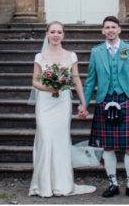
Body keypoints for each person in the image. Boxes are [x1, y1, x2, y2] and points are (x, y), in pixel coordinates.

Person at [28, 21, 97, 198]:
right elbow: (34, 81)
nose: (56, 35)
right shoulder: (39, 56)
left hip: (63, 102)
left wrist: (83, 103)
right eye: (53, 32)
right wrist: (49, 88)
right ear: (47, 34)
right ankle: (43, 185)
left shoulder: (71, 56)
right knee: (45, 138)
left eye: (59, 32)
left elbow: (76, 80)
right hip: (45, 103)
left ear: (63, 35)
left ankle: (61, 184)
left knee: (60, 140)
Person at [83, 15, 129, 199]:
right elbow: (90, 80)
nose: (110, 30)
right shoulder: (96, 52)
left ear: (119, 29)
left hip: (124, 100)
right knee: (107, 146)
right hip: (104, 100)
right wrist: (84, 103)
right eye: (107, 27)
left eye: (113, 27)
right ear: (103, 31)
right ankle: (112, 184)